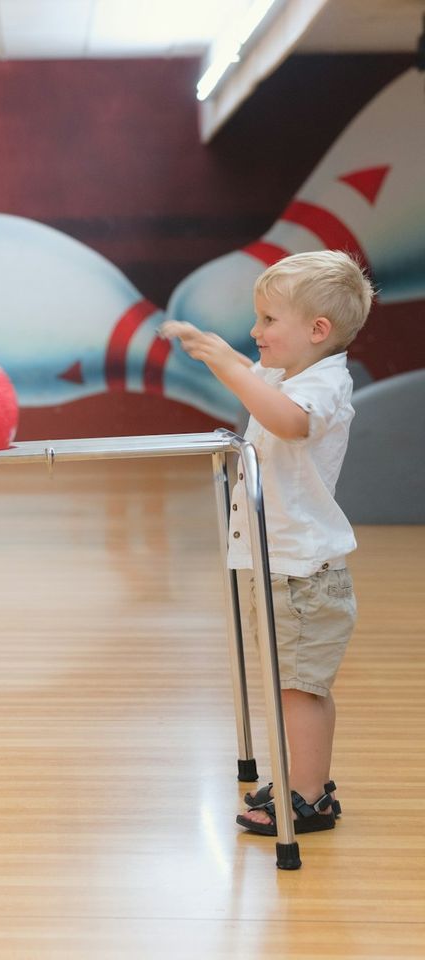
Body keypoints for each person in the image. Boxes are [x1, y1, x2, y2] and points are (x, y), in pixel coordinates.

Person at [161, 249, 374, 836]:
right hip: (276, 561)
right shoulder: (288, 375)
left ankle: (308, 796)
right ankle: (301, 779)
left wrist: (229, 363)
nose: (255, 332)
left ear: (317, 330)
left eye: (268, 320)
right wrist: (219, 356)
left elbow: (288, 422)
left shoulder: (325, 384)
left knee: (298, 689)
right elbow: (264, 394)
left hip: (302, 570)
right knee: (288, 682)